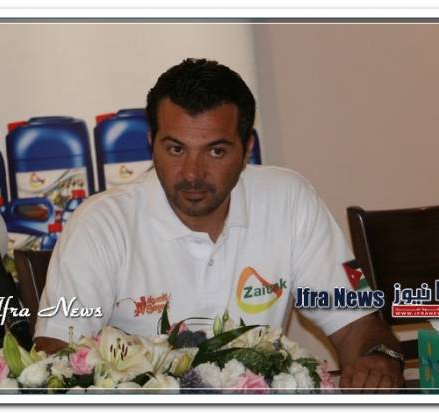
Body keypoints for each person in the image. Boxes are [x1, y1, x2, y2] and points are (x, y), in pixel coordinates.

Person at [34, 58, 404, 389]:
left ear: (246, 149)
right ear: (151, 143)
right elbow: (56, 358)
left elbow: (356, 326)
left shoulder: (289, 201)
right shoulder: (100, 225)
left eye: (215, 151)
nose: (192, 173)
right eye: (175, 149)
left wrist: (379, 358)